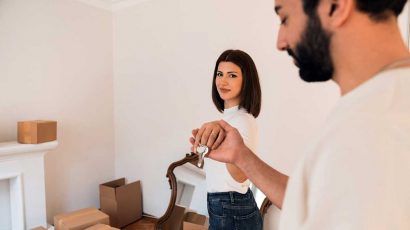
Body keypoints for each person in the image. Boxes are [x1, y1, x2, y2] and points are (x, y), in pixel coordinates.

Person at [191, 0, 410, 229]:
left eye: (285, 18)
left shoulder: (380, 121)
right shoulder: (374, 106)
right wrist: (241, 156)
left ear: (336, 6)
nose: (280, 42)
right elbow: (313, 203)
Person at [193, 49, 263, 230]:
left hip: (232, 208)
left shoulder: (242, 120)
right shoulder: (229, 119)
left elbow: (240, 175)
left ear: (246, 81)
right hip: (225, 206)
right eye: (219, 74)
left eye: (232, 75)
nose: (222, 81)